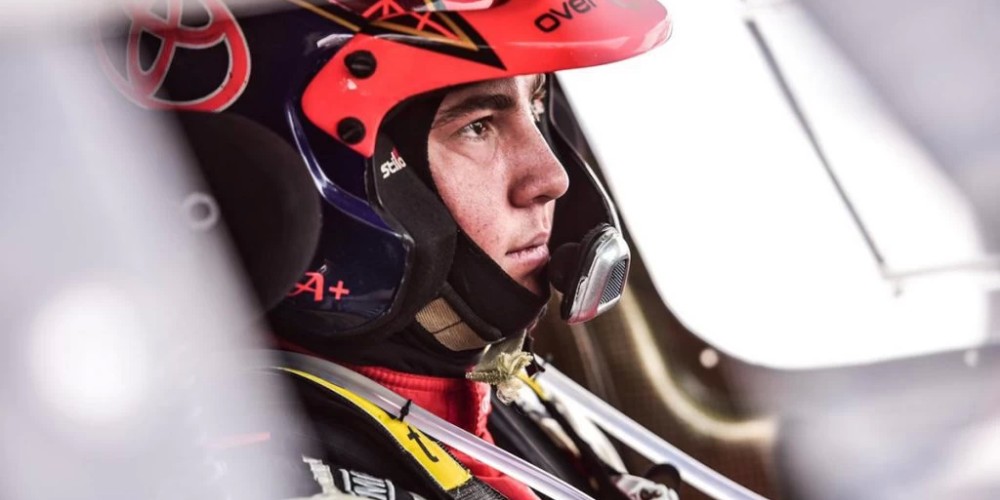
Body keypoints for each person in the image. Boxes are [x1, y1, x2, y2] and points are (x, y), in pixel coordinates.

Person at [98, 0, 673, 498]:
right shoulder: (256, 468)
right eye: (477, 125)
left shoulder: (498, 393)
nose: (551, 178)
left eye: (537, 105)